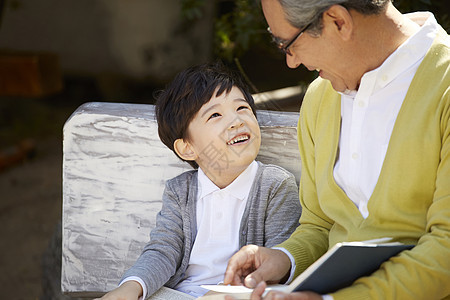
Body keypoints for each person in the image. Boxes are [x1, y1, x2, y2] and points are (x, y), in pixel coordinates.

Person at [223, 0, 450, 299]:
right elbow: (321, 223)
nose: (290, 62)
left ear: (338, 21)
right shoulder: (321, 97)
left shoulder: (443, 85)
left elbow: (445, 250)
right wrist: (286, 258)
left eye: (287, 43)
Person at [96, 61, 302, 300]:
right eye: (215, 115)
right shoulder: (179, 191)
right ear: (187, 148)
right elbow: (163, 251)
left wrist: (226, 292)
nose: (236, 121)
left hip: (242, 294)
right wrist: (129, 288)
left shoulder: (274, 186)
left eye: (242, 108)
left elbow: (275, 262)